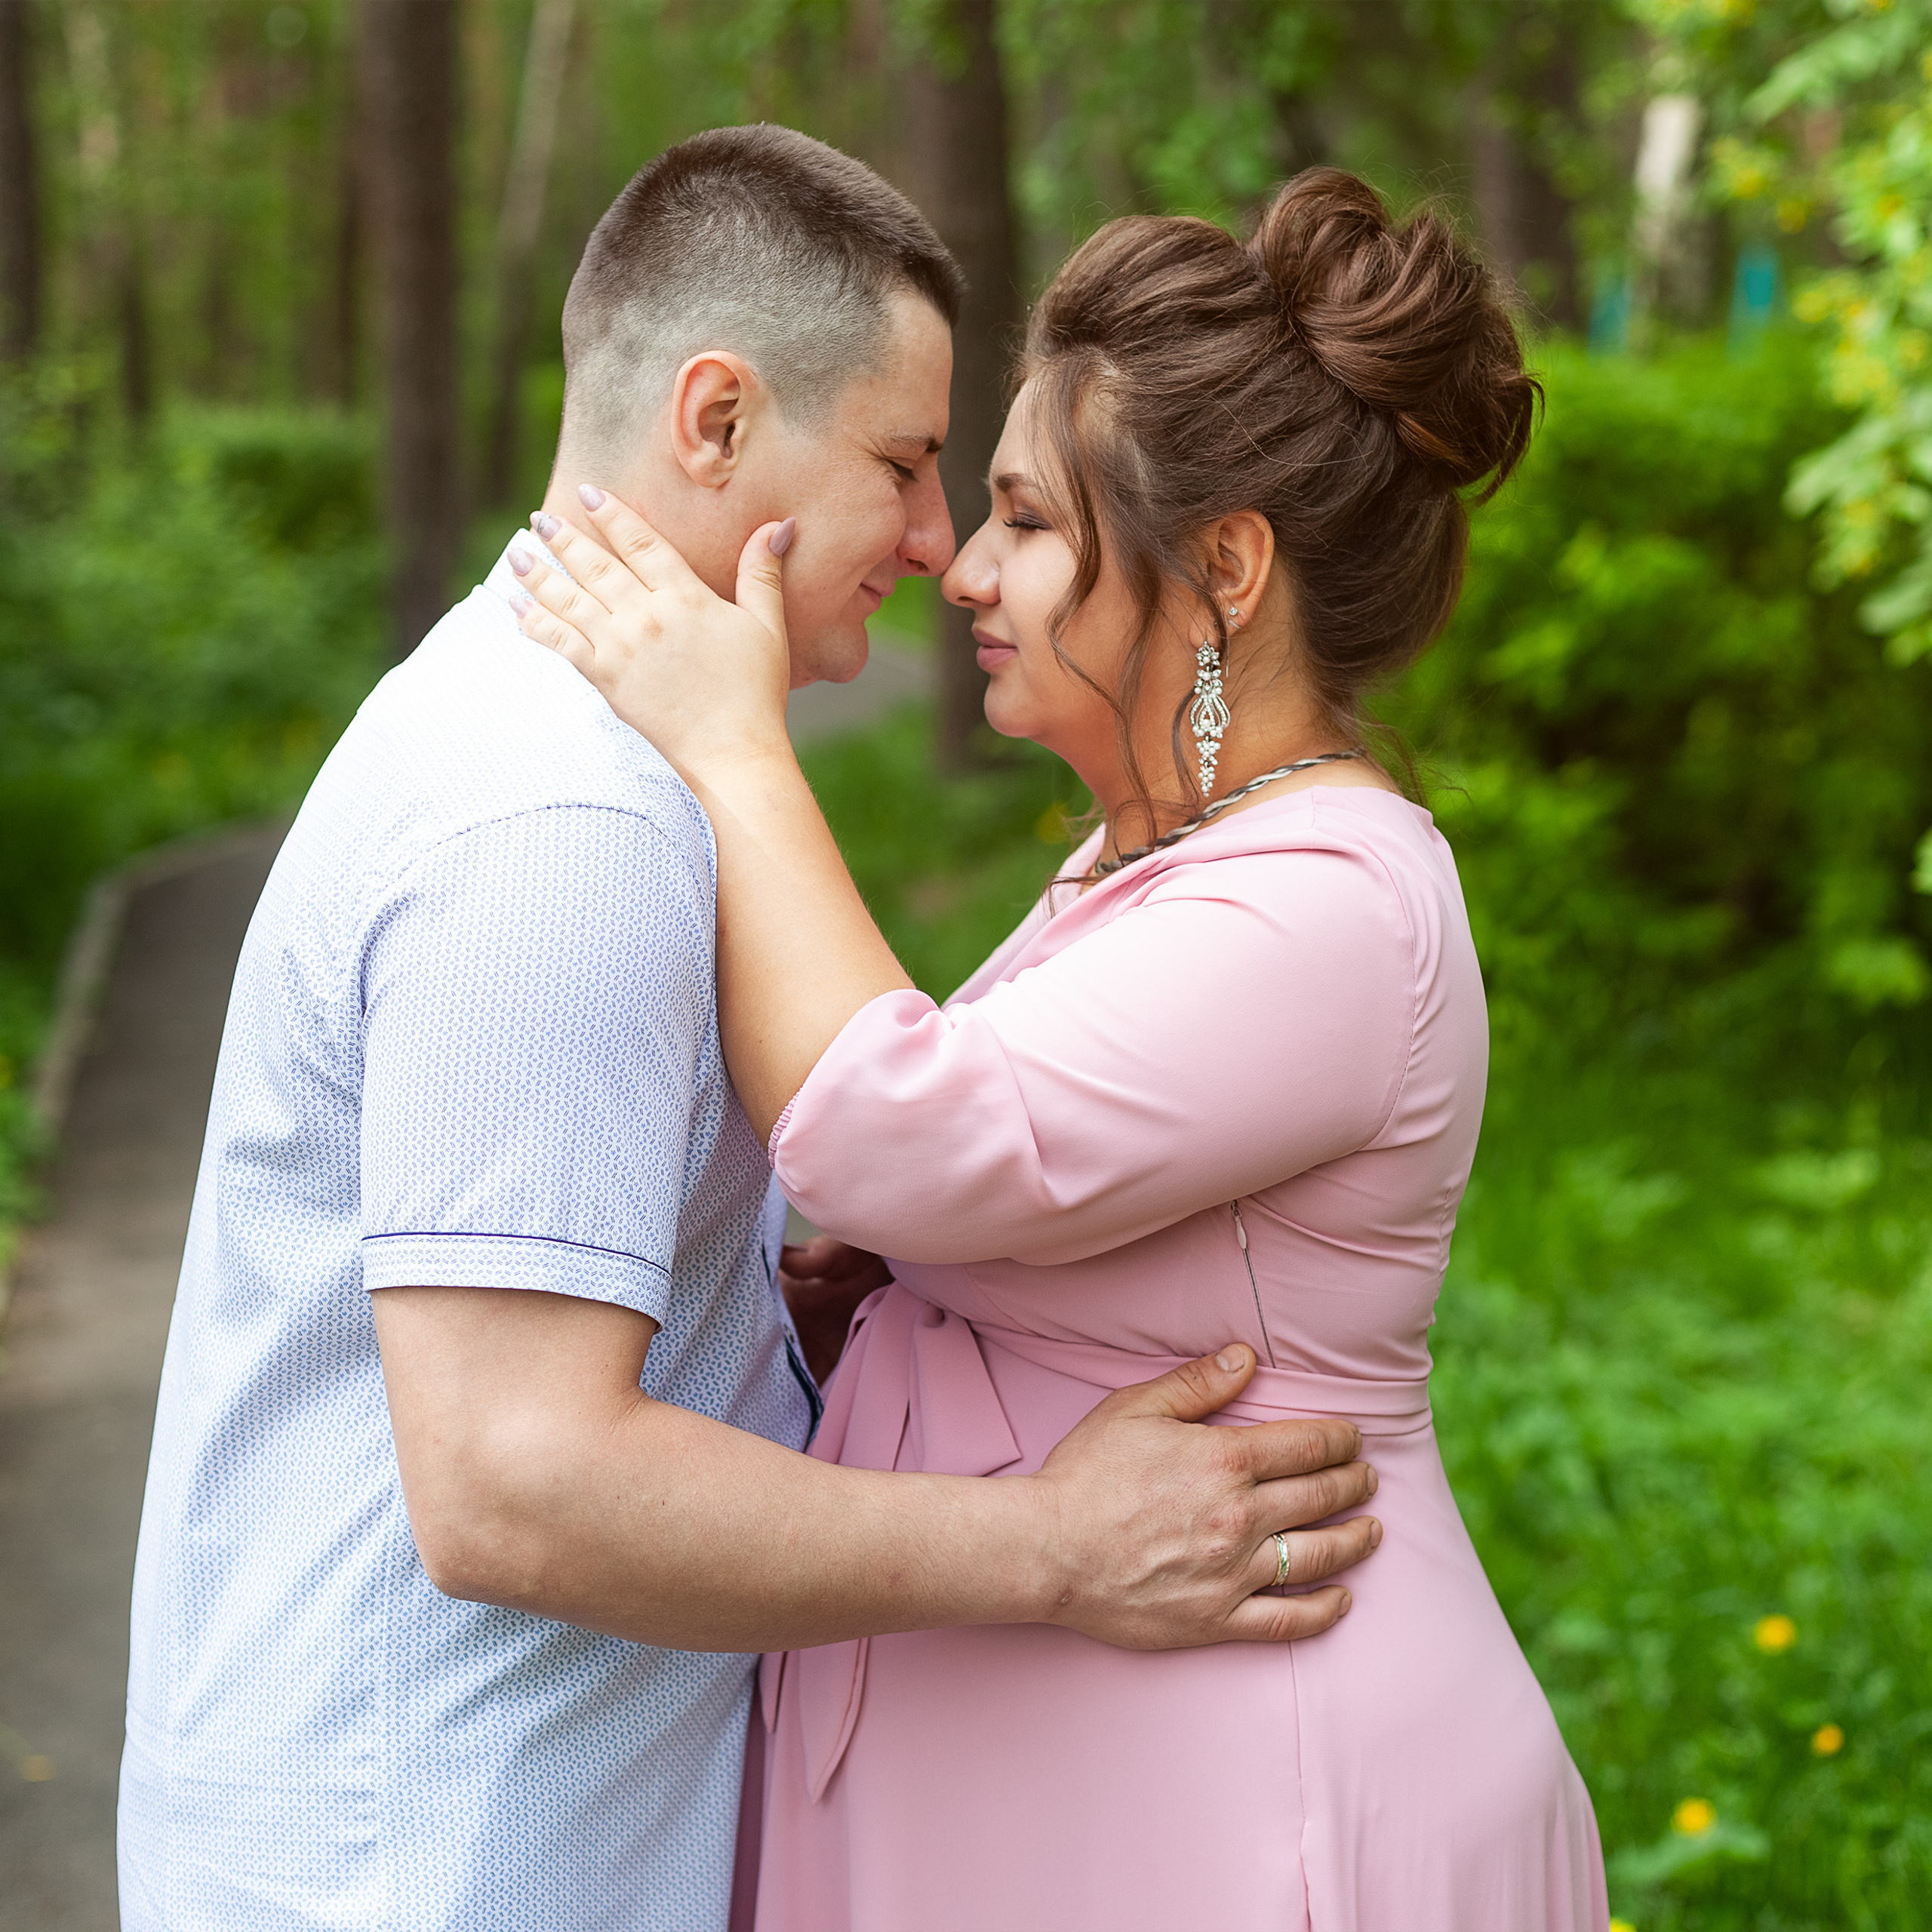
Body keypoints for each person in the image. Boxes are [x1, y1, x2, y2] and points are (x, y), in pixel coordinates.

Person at [116, 128, 1382, 1932]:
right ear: (713, 421)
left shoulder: (530, 735)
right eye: (903, 461)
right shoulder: (565, 820)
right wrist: (1056, 1543)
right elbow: (516, 1482)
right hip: (443, 1866)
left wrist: (758, 1322)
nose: (937, 542)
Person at [513, 167, 1611, 1930]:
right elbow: (992, 1197)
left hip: (1255, 1793)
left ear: (1223, 568)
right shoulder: (1148, 855)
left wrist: (732, 754)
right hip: (1065, 1775)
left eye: (1025, 517)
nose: (962, 564)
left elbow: (901, 1132)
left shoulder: (1339, 901)